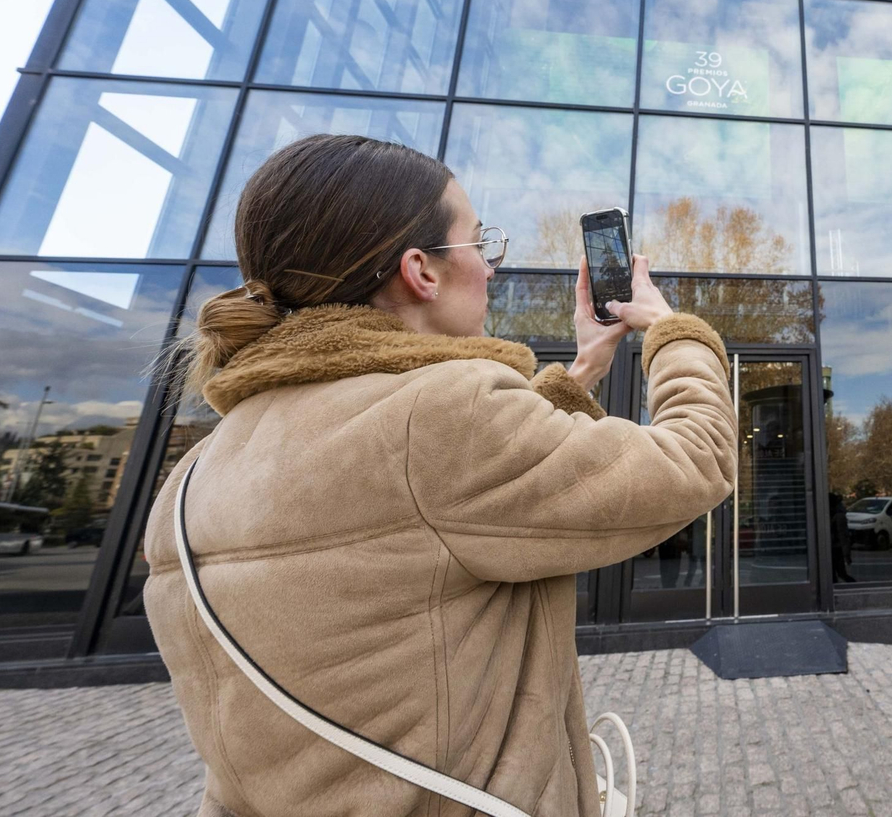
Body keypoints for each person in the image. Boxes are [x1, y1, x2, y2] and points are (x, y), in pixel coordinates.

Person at [142, 134, 736, 817]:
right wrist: (672, 328)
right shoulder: (445, 416)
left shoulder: (187, 484)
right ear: (421, 271)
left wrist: (584, 371)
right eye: (482, 245)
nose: (491, 270)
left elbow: (432, 506)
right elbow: (696, 458)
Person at [828, 492, 855, 583]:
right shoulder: (835, 515)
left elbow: (843, 535)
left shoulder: (838, 516)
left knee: (839, 574)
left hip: (836, 548)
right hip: (835, 547)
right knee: (837, 574)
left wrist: (846, 554)